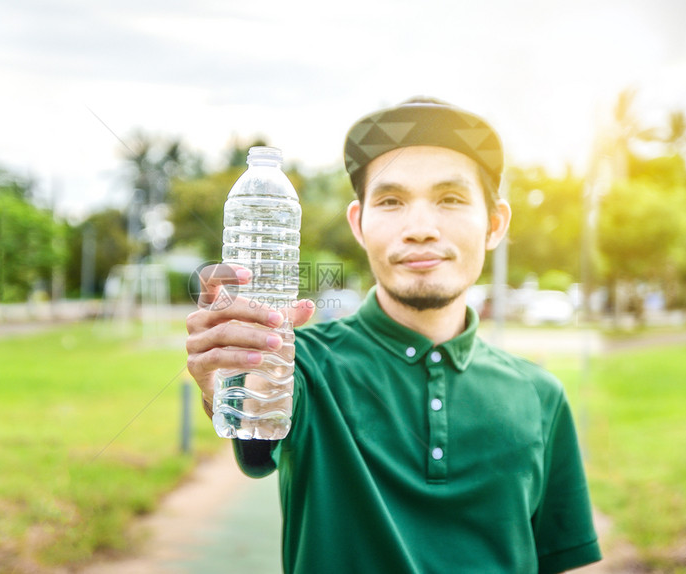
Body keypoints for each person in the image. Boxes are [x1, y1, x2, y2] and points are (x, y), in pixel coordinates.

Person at [185, 97, 602, 573]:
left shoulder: (541, 397)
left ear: (494, 223)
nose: (420, 228)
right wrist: (237, 374)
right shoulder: (303, 366)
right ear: (358, 224)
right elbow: (259, 406)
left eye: (450, 198)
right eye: (390, 201)